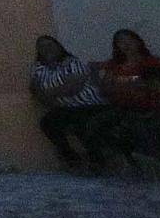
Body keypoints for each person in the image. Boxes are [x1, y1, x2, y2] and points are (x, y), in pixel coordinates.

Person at [29, 34, 124, 171]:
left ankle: (97, 160)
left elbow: (74, 88)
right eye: (42, 47)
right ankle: (71, 157)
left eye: (50, 45)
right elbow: (36, 91)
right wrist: (56, 90)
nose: (47, 49)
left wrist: (48, 91)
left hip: (91, 104)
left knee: (82, 123)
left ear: (58, 47)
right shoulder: (39, 69)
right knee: (47, 122)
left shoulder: (72, 62)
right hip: (67, 107)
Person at [98, 28, 160, 160]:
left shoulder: (149, 61)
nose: (126, 44)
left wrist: (123, 81)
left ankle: (149, 156)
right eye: (121, 42)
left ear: (137, 42)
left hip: (145, 106)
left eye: (129, 40)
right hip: (120, 105)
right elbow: (105, 85)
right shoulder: (114, 65)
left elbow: (155, 80)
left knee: (136, 122)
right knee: (98, 124)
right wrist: (126, 82)